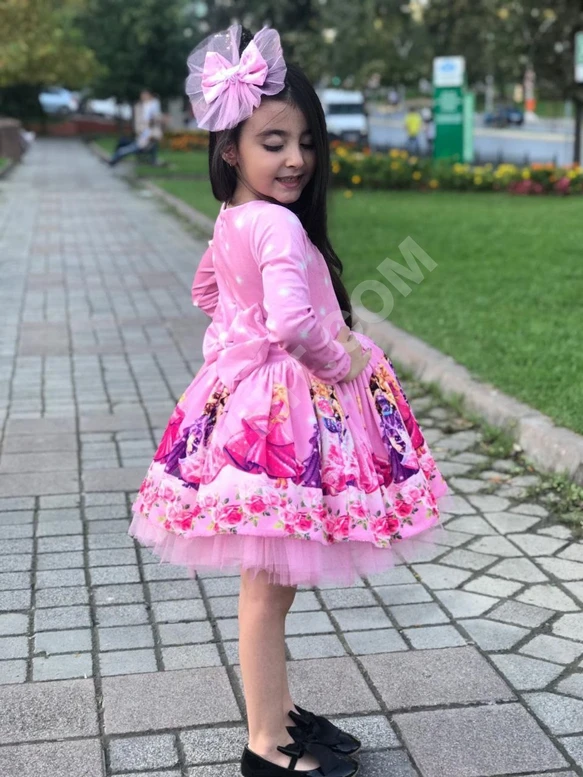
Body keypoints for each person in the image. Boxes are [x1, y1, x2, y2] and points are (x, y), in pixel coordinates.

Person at [129, 23, 447, 777]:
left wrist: (232, 340)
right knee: (268, 590)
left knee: (268, 582)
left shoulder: (234, 218)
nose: (296, 158)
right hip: (287, 416)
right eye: (273, 142)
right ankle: (265, 745)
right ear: (230, 149)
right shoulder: (274, 222)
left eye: (305, 141)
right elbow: (296, 324)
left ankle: (275, 714)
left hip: (252, 406)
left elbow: (208, 289)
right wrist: (340, 359)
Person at [109, 89, 163, 166]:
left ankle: (113, 161)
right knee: (123, 145)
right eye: (143, 95)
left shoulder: (153, 106)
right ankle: (113, 160)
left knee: (124, 149)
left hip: (147, 137)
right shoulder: (139, 107)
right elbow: (138, 123)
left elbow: (157, 120)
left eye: (146, 95)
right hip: (142, 135)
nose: (144, 97)